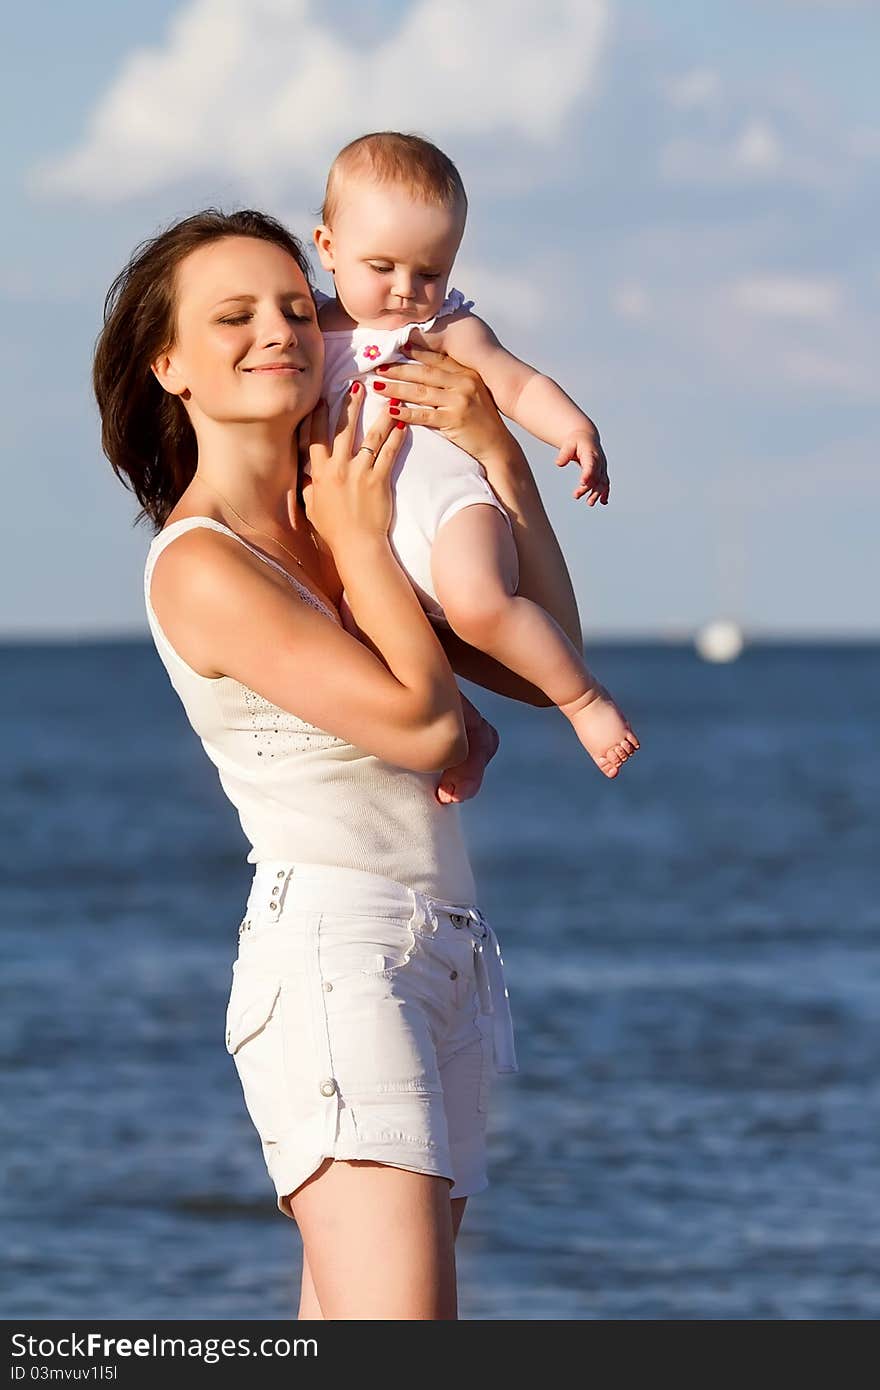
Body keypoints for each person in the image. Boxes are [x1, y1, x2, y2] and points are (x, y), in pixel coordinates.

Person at [92, 208, 599, 1320]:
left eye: (288, 303)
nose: (276, 328)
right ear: (168, 365)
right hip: (335, 957)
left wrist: (496, 447)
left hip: (441, 952)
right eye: (232, 315)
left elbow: (546, 639)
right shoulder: (203, 562)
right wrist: (367, 550)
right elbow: (425, 728)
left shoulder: (345, 506)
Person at [310, 130, 639, 777]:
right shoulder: (309, 334)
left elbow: (516, 382)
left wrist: (574, 428)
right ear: (328, 248)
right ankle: (468, 730)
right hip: (378, 541)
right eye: (382, 267)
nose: (406, 288)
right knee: (353, 624)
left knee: (479, 604)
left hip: (455, 508)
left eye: (429, 272)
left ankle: (585, 699)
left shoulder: (442, 328)